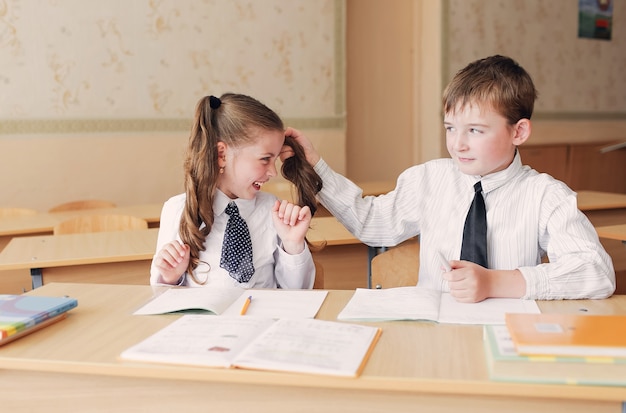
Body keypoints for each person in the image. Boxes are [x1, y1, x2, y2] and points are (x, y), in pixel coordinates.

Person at [282, 55, 615, 302]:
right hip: (434, 331)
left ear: (519, 131)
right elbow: (372, 222)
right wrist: (316, 166)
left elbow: (596, 271)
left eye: (475, 130)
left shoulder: (546, 195)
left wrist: (495, 283)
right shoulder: (429, 178)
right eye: (451, 129)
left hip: (507, 330)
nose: (459, 143)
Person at [150, 93, 322, 289]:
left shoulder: (272, 211)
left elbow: (296, 294)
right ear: (221, 154)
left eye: (274, 161)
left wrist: (292, 246)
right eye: (265, 159)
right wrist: (170, 278)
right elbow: (161, 299)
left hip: (263, 318)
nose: (274, 172)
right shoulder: (177, 210)